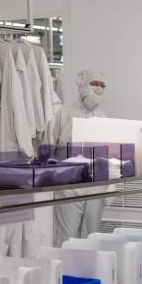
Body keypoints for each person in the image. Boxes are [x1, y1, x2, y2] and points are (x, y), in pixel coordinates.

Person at [52, 69, 107, 247]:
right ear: (83, 84)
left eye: (102, 85)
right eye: (94, 83)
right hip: (68, 181)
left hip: (95, 183)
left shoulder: (102, 116)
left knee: (92, 234)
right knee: (66, 236)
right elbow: (51, 145)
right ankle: (63, 273)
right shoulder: (64, 112)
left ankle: (88, 272)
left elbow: (109, 152)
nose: (98, 88)